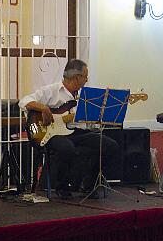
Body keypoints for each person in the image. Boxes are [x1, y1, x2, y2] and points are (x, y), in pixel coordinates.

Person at [19, 59, 119, 199]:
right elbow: (23, 101)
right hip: (51, 133)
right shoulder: (52, 90)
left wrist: (98, 118)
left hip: (75, 131)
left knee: (109, 145)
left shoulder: (83, 98)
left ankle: (88, 185)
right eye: (85, 77)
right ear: (77, 77)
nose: (86, 80)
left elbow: (85, 124)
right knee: (67, 148)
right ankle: (62, 187)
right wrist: (44, 108)